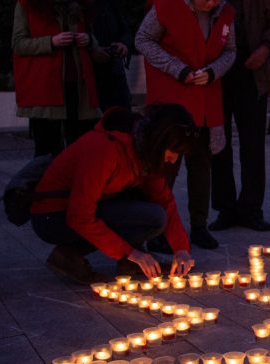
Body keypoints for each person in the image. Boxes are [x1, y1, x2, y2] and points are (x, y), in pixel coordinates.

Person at [31, 104, 197, 284]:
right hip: (52, 215)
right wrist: (130, 252)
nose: (174, 159)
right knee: (148, 216)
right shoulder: (105, 150)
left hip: (90, 206)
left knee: (155, 217)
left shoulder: (147, 153)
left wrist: (181, 249)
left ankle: (129, 262)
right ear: (159, 140)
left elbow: (164, 201)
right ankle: (67, 255)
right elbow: (79, 216)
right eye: (173, 151)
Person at [135, 0, 235, 250]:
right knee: (165, 168)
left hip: (206, 100)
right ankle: (157, 230)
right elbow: (143, 40)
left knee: (201, 166)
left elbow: (230, 51)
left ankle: (199, 226)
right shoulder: (166, 5)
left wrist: (214, 70)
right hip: (171, 101)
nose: (211, 3)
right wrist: (176, 68)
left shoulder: (225, 13)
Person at [204, 0, 270, 233]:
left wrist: (265, 49)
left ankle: (251, 209)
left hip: (252, 74)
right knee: (218, 144)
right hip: (215, 76)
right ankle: (225, 209)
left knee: (253, 145)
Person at [12, 0, 103, 156]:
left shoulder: (80, 3)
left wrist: (89, 40)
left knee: (80, 149)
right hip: (46, 87)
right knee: (47, 151)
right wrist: (51, 42)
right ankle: (44, 189)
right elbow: (18, 44)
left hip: (78, 88)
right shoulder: (27, 3)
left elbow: (92, 38)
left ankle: (73, 188)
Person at [75, 0, 134, 111]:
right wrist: (92, 50)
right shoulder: (70, 5)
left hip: (114, 74)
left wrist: (123, 45)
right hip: (86, 77)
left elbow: (125, 30)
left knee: (122, 121)